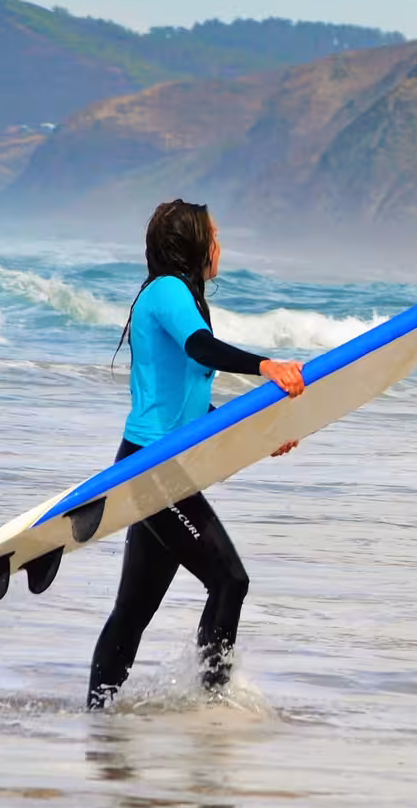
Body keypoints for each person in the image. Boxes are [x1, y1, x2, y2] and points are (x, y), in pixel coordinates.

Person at [87, 199, 306, 710]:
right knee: (230, 580)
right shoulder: (168, 291)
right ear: (192, 242)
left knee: (132, 611)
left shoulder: (171, 294)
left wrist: (261, 437)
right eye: (214, 235)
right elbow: (201, 349)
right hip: (154, 468)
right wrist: (266, 365)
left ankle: (96, 717)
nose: (220, 245)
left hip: (154, 464)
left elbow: (190, 406)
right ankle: (212, 705)